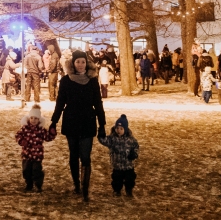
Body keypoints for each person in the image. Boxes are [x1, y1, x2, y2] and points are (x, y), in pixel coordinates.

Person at [49, 50, 106, 203]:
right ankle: (77, 185)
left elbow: (98, 103)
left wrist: (102, 124)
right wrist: (54, 122)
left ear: (86, 63)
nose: (80, 65)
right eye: (77, 62)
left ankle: (85, 189)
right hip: (71, 121)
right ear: (73, 64)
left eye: (83, 62)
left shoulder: (93, 80)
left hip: (88, 121)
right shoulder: (66, 81)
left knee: (85, 156)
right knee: (74, 155)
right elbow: (60, 102)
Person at [15, 105, 56, 193]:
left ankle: (38, 184)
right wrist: (22, 141)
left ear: (39, 120)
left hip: (37, 155)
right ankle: (29, 184)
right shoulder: (25, 128)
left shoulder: (41, 130)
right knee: (26, 170)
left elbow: (47, 137)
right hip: (26, 154)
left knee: (36, 170)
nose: (33, 120)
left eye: (36, 118)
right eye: (32, 118)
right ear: (29, 118)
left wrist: (52, 133)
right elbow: (18, 135)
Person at [97, 114, 139, 197]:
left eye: (121, 129)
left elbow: (136, 147)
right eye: (117, 128)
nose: (118, 130)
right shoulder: (112, 138)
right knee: (116, 179)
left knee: (130, 179)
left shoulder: (131, 140)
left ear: (125, 129)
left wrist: (134, 154)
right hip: (117, 166)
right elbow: (104, 141)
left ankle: (129, 190)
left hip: (128, 166)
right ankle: (117, 190)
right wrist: (101, 134)